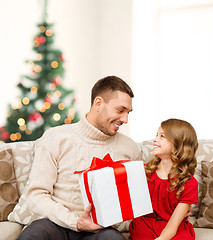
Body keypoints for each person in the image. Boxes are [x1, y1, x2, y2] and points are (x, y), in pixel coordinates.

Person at [17, 76, 141, 240]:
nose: (125, 119)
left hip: (101, 230)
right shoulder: (56, 138)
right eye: (120, 110)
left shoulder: (130, 149)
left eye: (128, 113)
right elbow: (36, 195)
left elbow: (134, 204)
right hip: (56, 225)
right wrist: (74, 221)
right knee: (34, 235)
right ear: (98, 103)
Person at [129, 118, 198, 240]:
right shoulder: (143, 172)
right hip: (145, 225)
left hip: (174, 227)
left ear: (178, 144)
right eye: (156, 135)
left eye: (162, 136)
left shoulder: (189, 183)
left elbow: (173, 225)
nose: (155, 139)